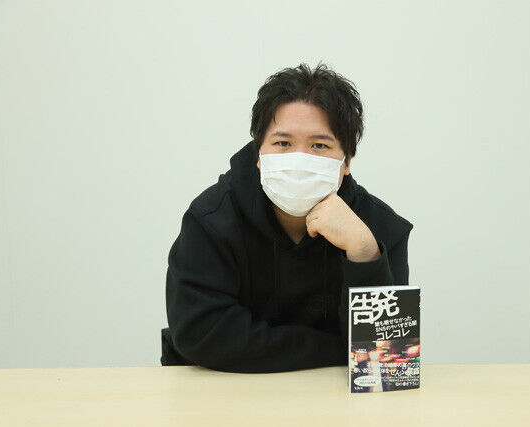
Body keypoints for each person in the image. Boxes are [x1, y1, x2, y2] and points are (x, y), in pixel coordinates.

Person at [160, 62, 413, 373]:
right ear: (258, 153)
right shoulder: (210, 219)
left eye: (319, 145)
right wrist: (341, 350)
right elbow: (202, 335)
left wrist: (365, 254)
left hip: (332, 397)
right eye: (283, 143)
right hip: (219, 390)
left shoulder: (380, 228)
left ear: (347, 161)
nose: (299, 160)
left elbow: (386, 358)